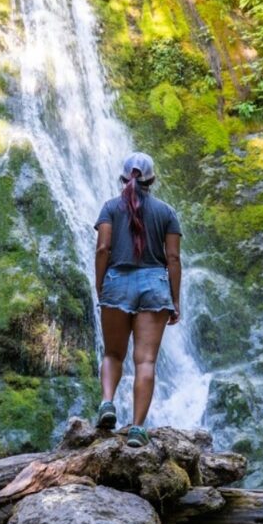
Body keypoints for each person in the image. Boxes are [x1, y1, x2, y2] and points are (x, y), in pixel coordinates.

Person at [93, 152, 182, 448]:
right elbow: (173, 258)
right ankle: (137, 428)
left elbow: (103, 248)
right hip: (155, 286)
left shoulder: (109, 208)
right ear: (152, 180)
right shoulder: (167, 212)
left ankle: (107, 403)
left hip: (117, 282)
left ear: (123, 178)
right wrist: (175, 299)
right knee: (145, 361)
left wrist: (100, 284)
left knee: (112, 354)